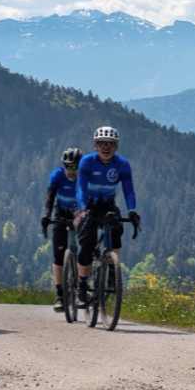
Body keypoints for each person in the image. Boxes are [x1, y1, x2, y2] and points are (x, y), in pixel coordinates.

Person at [73, 126, 141, 306]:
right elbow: (80, 188)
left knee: (116, 230)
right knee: (86, 244)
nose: (106, 147)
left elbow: (128, 190)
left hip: (108, 205)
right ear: (95, 145)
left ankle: (112, 270)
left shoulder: (122, 164)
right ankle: (81, 285)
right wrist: (83, 208)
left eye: (110, 144)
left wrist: (132, 210)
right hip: (89, 205)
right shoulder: (87, 162)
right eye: (102, 143)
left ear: (116, 146)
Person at [41, 147, 82, 312]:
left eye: (75, 167)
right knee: (58, 256)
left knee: (84, 248)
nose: (71, 171)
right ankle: (59, 295)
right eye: (68, 167)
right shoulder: (57, 175)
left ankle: (81, 290)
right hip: (61, 212)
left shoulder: (84, 177)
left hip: (80, 212)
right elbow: (50, 197)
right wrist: (46, 215)